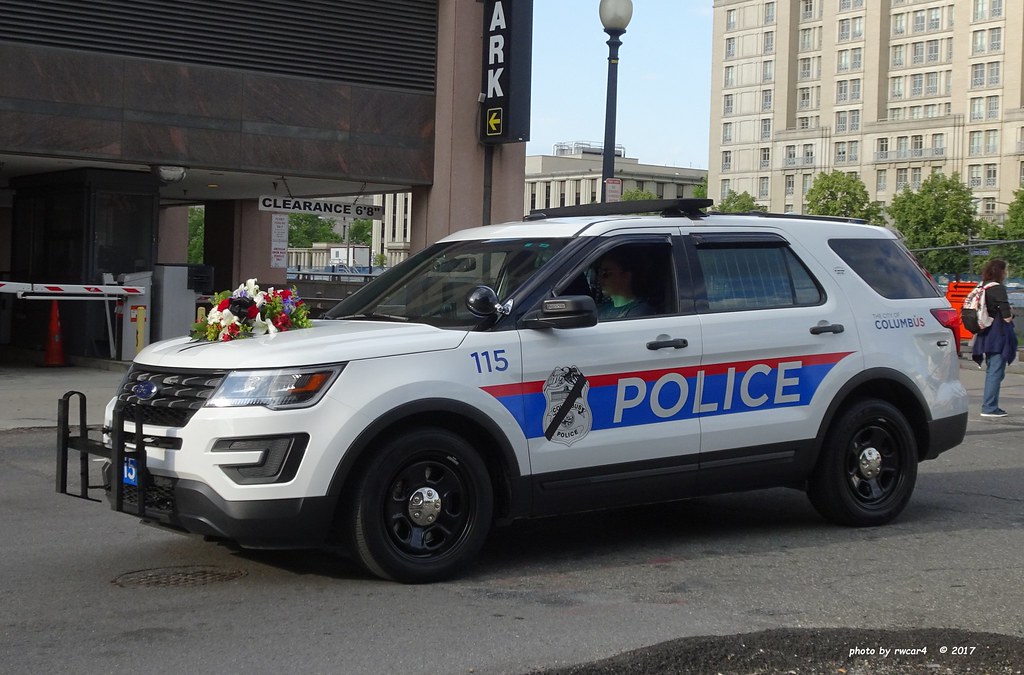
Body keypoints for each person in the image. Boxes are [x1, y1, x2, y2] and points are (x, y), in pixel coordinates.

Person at [971, 259, 1018, 418]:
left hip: (985, 333)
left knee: (993, 369)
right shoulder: (998, 288)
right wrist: (1010, 313)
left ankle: (989, 404)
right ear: (1001, 271)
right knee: (996, 371)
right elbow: (1006, 317)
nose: (1007, 273)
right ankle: (989, 407)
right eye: (1006, 270)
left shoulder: (982, 285)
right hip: (997, 334)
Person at [594, 249, 656, 319]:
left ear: (626, 276)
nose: (600, 279)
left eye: (606, 274)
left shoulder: (640, 312)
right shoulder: (602, 308)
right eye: (599, 273)